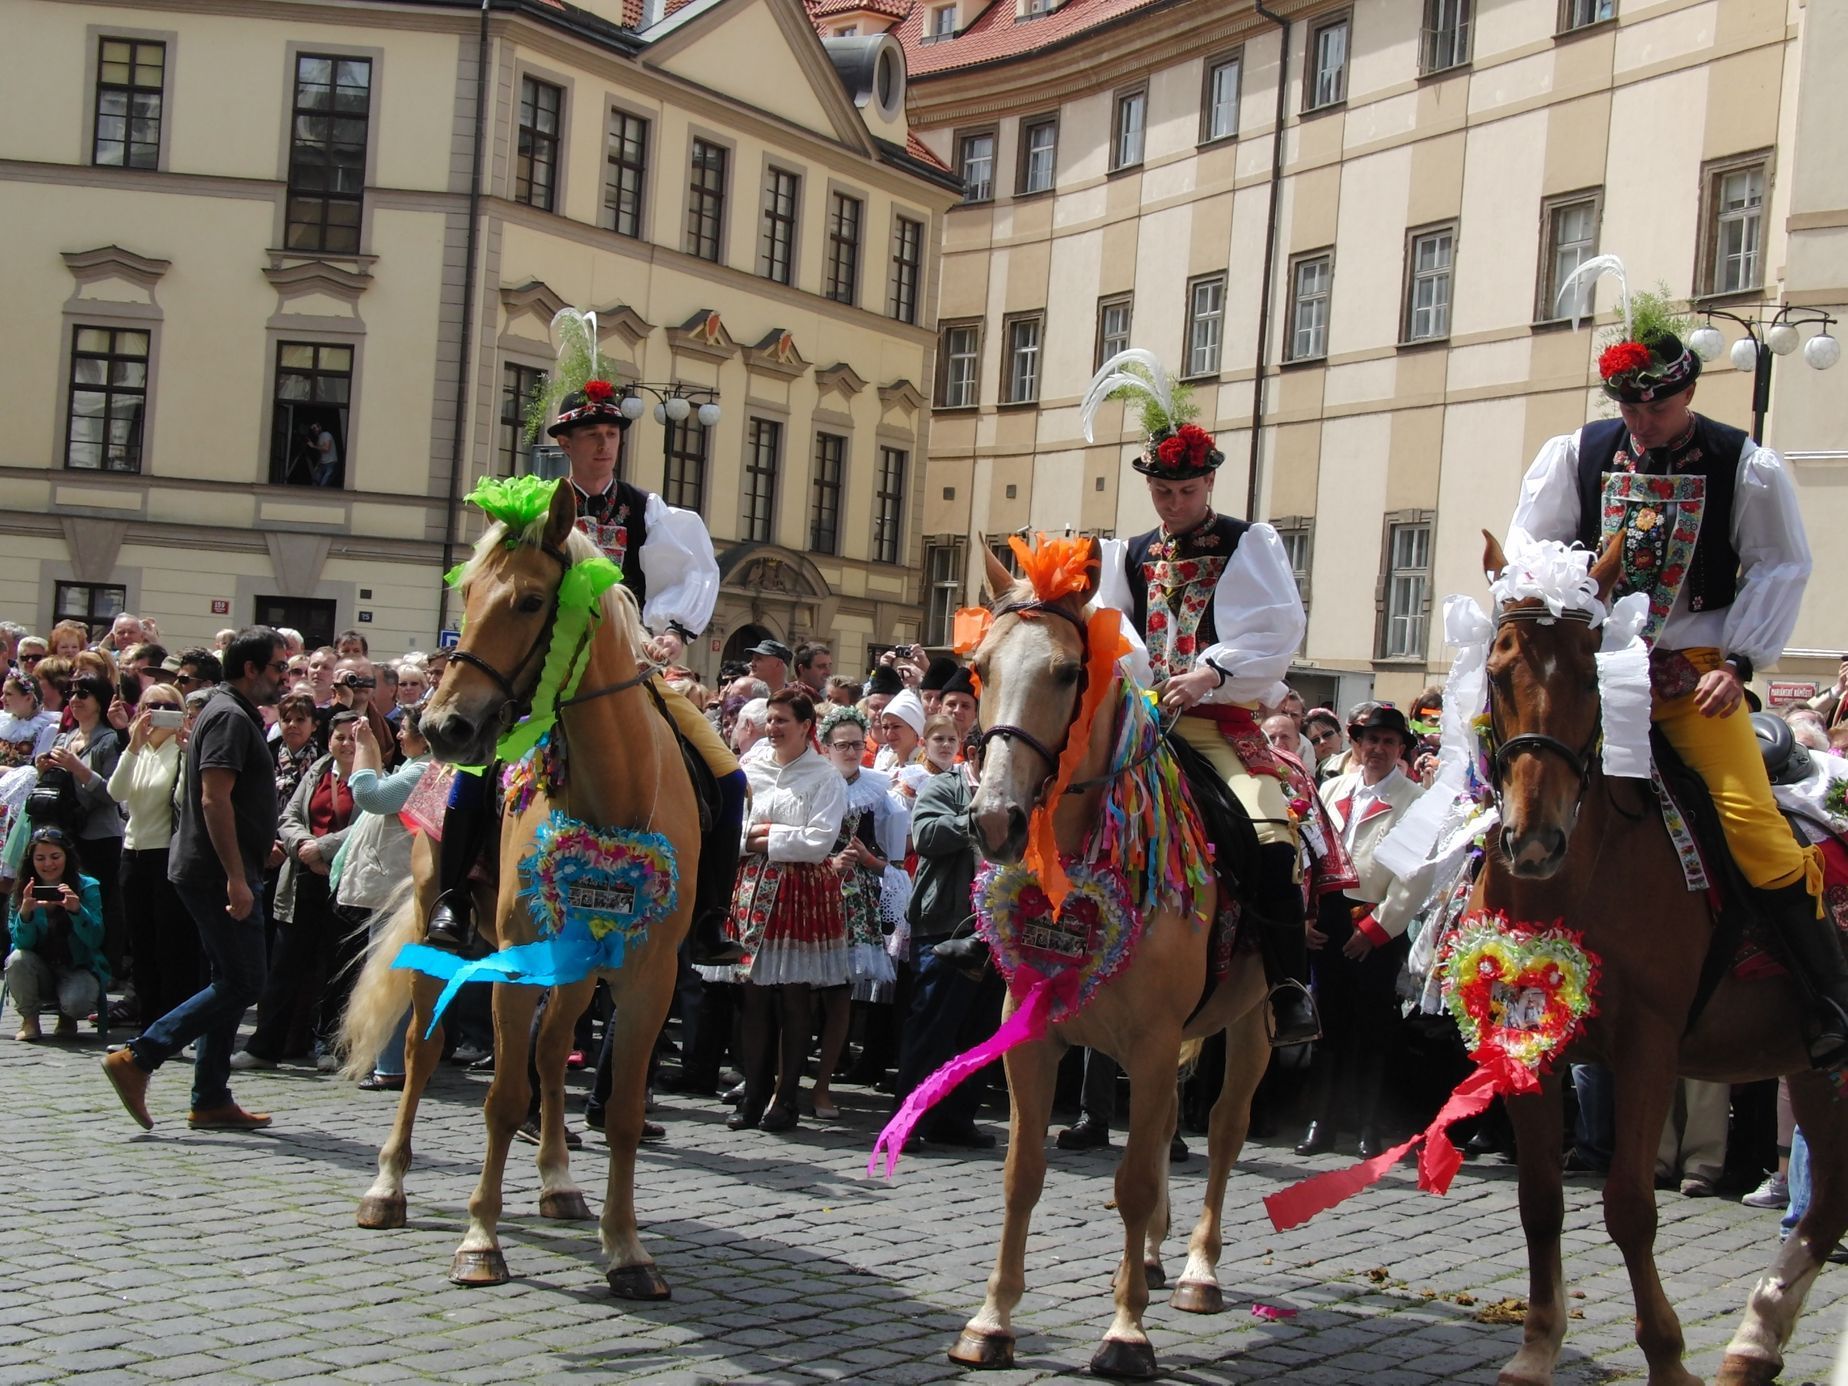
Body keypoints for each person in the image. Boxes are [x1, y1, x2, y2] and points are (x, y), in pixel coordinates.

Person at [1509, 275, 1848, 1066]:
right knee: (1502, 798)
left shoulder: (1744, 462)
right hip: (1592, 673)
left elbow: (1778, 566)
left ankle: (1827, 993)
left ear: (1687, 391)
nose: (1641, 422)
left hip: (1692, 678)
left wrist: (1736, 662)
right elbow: (1532, 551)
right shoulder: (1576, 455)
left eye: (1655, 408)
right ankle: (1471, 969)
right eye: (1628, 407)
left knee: (1755, 830)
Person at [423, 342, 746, 967]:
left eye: (611, 434)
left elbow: (687, 579)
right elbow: (492, 589)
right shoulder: (530, 515)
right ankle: (454, 898)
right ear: (564, 443)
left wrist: (672, 632)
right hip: (540, 678)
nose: (604, 445)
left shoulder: (650, 512)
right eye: (590, 434)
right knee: (471, 770)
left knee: (728, 779)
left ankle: (709, 917)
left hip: (626, 672)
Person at [1084, 347, 1318, 1047]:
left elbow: (1277, 627)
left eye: (1184, 491)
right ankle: (1005, 940)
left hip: (1218, 724)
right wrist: (1137, 677)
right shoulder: (1126, 553)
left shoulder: (1248, 544)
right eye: (1162, 491)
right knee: (1056, 798)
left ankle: (1287, 984)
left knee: (1271, 839)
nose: (1172, 502)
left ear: (1208, 482)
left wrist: (1210, 672)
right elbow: (1112, 626)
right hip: (1142, 722)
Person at [101, 626, 288, 1131]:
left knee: (228, 978)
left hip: (219, 866)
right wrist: (235, 875)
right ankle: (141, 1055)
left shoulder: (229, 712)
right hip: (215, 872)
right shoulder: (228, 715)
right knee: (245, 981)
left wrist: (255, 843)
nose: (284, 678)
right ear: (250, 669)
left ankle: (209, 1097)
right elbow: (213, 798)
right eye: (277, 668)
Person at [1298, 705, 1426, 1157]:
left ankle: (1368, 1125)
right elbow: (1308, 854)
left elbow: (1417, 876)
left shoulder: (1415, 800)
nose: (1377, 749)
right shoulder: (1332, 789)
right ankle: (1322, 1121)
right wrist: (1308, 912)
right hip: (1330, 916)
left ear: (1400, 750)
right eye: (1370, 740)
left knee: (1373, 1029)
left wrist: (1378, 928)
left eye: (1389, 742)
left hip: (1376, 921)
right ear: (1357, 744)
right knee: (1327, 1026)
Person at [726, 688, 848, 1133]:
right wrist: (766, 835)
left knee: (795, 996)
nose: (774, 728)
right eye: (771, 720)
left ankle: (787, 1096)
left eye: (782, 721)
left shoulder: (824, 776)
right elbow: (733, 829)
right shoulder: (750, 767)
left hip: (798, 892)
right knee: (752, 996)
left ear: (805, 727)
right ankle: (753, 1094)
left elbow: (818, 842)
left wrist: (766, 836)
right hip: (752, 889)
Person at [891, 730, 1002, 1148]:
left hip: (995, 927)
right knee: (932, 1026)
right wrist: (976, 816)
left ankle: (956, 1119)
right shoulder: (943, 785)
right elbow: (927, 838)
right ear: (973, 754)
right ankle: (909, 1119)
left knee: (980, 1030)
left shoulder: (1016, 791)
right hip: (946, 922)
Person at [233, 712, 359, 1070]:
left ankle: (330, 1046)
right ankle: (264, 1046)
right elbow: (288, 816)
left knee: (338, 969)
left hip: (343, 884)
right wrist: (305, 845)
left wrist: (324, 849)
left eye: (353, 738)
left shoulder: (373, 777)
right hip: (301, 880)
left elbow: (366, 826)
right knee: (285, 966)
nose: (346, 744)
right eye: (340, 737)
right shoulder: (317, 770)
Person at [333, 711, 430, 1091]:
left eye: (404, 731)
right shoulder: (416, 766)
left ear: (423, 739)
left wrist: (363, 749)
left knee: (393, 975)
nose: (400, 737)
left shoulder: (422, 770)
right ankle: (390, 1061)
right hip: (397, 887)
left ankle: (391, 1065)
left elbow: (370, 795)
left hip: (400, 891)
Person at [814, 705, 903, 1120]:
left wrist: (870, 860)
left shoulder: (877, 791)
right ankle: (778, 1079)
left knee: (839, 996)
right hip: (813, 892)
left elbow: (893, 855)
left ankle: (823, 1086)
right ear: (826, 747)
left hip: (855, 898)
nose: (851, 751)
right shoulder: (814, 782)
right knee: (796, 991)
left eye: (857, 744)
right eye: (842, 745)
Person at [106, 683, 199, 1031]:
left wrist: (188, 750)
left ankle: (172, 1023)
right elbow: (115, 792)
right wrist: (132, 745)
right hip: (133, 853)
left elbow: (183, 799)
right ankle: (148, 1022)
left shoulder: (180, 750)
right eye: (149, 704)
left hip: (166, 855)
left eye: (166, 705)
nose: (156, 711)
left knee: (170, 944)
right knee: (141, 944)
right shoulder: (139, 749)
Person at [40, 674, 125, 974]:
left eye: (83, 694)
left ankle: (105, 966)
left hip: (99, 836)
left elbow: (113, 793)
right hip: (67, 831)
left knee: (101, 901)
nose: (74, 700)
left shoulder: (108, 740)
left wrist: (76, 767)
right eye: (71, 693)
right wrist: (45, 771)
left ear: (100, 702)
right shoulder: (65, 737)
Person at [6, 827, 107, 1040]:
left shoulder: (87, 886)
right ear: (31, 860)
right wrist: (25, 914)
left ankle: (67, 1017)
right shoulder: (23, 890)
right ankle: (30, 1020)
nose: (48, 864)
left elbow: (95, 939)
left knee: (78, 1003)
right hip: (38, 968)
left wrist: (77, 911)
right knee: (16, 959)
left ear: (66, 856)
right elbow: (20, 942)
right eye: (40, 858)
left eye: (55, 857)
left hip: (75, 967)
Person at [939, 667, 980, 741]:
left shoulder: (984, 751)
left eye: (965, 706)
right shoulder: (926, 749)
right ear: (940, 709)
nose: (957, 711)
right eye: (951, 704)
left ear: (976, 714)